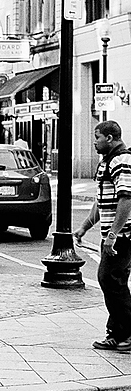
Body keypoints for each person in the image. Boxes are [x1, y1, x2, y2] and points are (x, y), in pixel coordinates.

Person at [74, 120, 131, 352]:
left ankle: (126, 333)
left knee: (109, 279)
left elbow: (126, 198)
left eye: (97, 137)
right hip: (113, 234)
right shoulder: (107, 161)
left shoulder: (121, 160)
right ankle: (116, 333)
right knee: (114, 281)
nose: (94, 142)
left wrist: (113, 235)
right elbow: (102, 200)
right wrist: (85, 227)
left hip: (123, 235)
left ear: (109, 138)